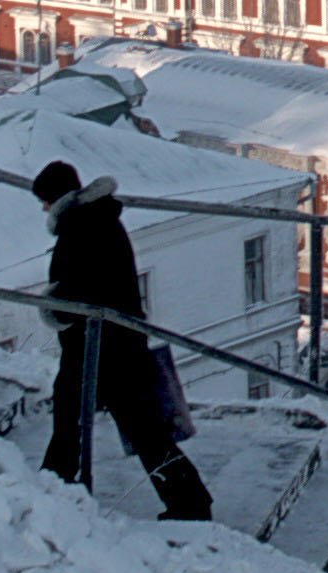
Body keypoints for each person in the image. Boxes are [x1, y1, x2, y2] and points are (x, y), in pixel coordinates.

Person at [30, 159, 213, 521]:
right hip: (118, 340)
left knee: (79, 415)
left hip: (99, 345)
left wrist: (53, 305)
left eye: (45, 200)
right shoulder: (98, 219)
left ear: (57, 198)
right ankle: (189, 501)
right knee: (138, 427)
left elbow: (84, 289)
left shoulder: (79, 228)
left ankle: (56, 484)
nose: (43, 208)